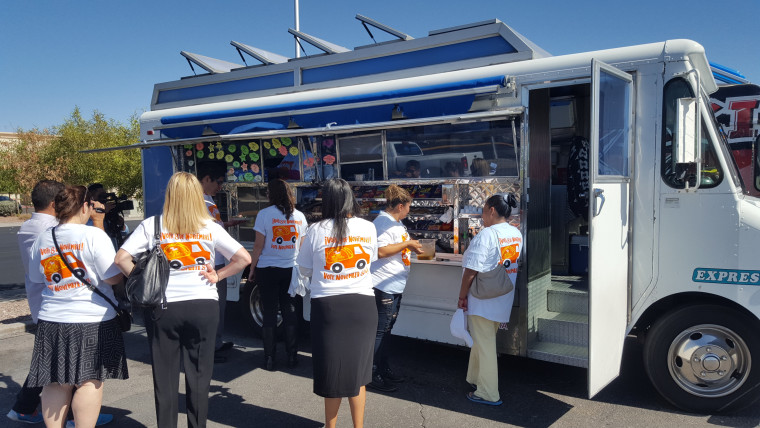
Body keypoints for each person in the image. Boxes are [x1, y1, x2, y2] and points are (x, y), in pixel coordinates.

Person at [115, 172, 251, 428]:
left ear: (170, 195)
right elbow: (243, 258)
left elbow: (121, 258)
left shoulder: (153, 225)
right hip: (203, 307)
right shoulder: (209, 226)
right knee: (199, 377)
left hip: (164, 308)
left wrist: (143, 279)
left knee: (164, 379)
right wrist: (218, 275)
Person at [26, 185, 128, 427]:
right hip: (92, 319)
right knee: (89, 381)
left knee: (55, 382)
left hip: (52, 318)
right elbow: (112, 277)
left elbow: (37, 277)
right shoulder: (93, 235)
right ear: (85, 207)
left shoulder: (44, 237)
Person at [296, 178, 378, 428]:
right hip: (363, 306)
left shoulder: (315, 230)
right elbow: (371, 260)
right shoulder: (368, 227)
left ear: (327, 200)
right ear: (350, 198)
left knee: (331, 372)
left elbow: (305, 269)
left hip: (329, 308)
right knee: (358, 373)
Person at [457, 193, 522, 406]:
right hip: (502, 296)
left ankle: (488, 393)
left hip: (483, 298)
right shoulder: (515, 233)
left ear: (492, 210)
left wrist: (461, 296)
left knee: (484, 345)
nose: (483, 214)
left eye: (484, 210)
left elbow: (471, 271)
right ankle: (476, 379)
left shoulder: (487, 235)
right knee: (482, 342)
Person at [247, 179, 307, 370]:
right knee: (290, 311)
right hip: (291, 269)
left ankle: (269, 358)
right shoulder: (299, 216)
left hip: (268, 269)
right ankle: (292, 357)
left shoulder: (264, 215)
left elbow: (258, 246)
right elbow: (302, 247)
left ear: (271, 195)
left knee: (270, 312)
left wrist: (252, 268)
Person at [368, 184, 423, 393]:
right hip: (383, 285)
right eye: (408, 207)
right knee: (380, 332)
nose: (409, 211)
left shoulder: (396, 223)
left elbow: (397, 246)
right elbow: (380, 251)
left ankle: (383, 369)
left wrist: (412, 245)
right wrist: (406, 245)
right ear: (400, 206)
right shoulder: (383, 223)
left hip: (394, 284)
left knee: (387, 330)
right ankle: (371, 374)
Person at [196, 161, 247, 363]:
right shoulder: (198, 202)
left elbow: (212, 227)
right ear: (206, 179)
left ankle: (216, 343)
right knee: (210, 307)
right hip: (208, 263)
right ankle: (208, 349)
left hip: (218, 261)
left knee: (219, 305)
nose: (220, 186)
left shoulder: (209, 199)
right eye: (218, 182)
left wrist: (226, 224)